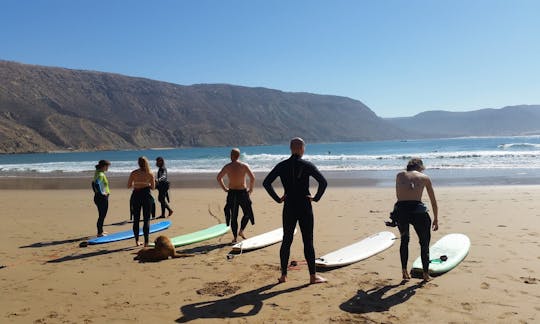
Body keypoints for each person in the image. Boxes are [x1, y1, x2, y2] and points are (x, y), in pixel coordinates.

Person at [263, 137, 328, 284]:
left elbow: (266, 183)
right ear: (302, 149)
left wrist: (278, 199)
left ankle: (283, 276)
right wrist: (316, 198)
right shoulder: (307, 165)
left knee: (287, 240)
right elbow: (323, 182)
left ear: (291, 149)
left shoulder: (282, 165)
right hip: (305, 206)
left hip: (289, 206)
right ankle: (313, 276)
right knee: (308, 241)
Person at [392, 158, 439, 282]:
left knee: (404, 240)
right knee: (424, 243)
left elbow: (399, 196)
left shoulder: (399, 176)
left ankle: (404, 272)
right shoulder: (424, 178)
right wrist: (436, 219)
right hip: (418, 212)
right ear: (420, 167)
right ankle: (425, 274)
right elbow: (433, 201)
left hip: (401, 212)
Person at [216, 148, 256, 243]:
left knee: (234, 216)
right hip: (242, 193)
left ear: (232, 156)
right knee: (247, 213)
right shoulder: (244, 166)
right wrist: (251, 189)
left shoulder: (227, 166)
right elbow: (252, 178)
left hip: (232, 193)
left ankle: (236, 236)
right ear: (239, 156)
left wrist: (225, 188)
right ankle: (240, 231)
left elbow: (219, 178)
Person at [127, 156, 156, 247]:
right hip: (146, 196)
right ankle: (146, 242)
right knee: (146, 219)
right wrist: (145, 183)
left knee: (136, 219)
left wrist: (137, 184)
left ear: (138, 163)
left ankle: (137, 241)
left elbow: (128, 186)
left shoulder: (134, 173)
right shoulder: (150, 173)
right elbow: (153, 187)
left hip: (136, 195)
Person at [92, 160, 111, 237]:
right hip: (102, 198)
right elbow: (96, 184)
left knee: (101, 215)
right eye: (107, 166)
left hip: (98, 197)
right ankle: (99, 233)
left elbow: (93, 183)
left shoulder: (98, 172)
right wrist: (101, 193)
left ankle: (101, 231)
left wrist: (96, 193)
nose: (108, 168)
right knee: (102, 215)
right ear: (103, 166)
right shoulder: (100, 174)